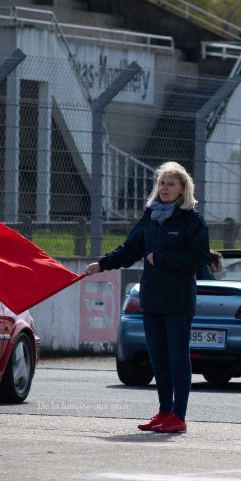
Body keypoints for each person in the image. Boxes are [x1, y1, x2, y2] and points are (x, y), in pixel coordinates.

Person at [83, 161, 209, 433]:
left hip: (177, 299)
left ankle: (179, 416)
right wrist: (102, 264)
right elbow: (130, 250)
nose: (164, 188)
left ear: (183, 189)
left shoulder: (192, 220)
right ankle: (164, 412)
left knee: (177, 356)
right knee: (158, 357)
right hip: (151, 297)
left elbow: (198, 259)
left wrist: (160, 257)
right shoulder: (150, 216)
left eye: (171, 184)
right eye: (161, 183)